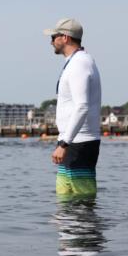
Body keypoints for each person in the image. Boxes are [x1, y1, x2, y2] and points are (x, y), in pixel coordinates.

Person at [44, 18, 102, 198]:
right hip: (71, 142)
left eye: (54, 36)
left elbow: (82, 106)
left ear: (66, 38)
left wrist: (64, 143)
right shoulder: (76, 62)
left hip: (79, 142)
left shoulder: (79, 64)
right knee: (64, 201)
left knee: (81, 203)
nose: (51, 41)